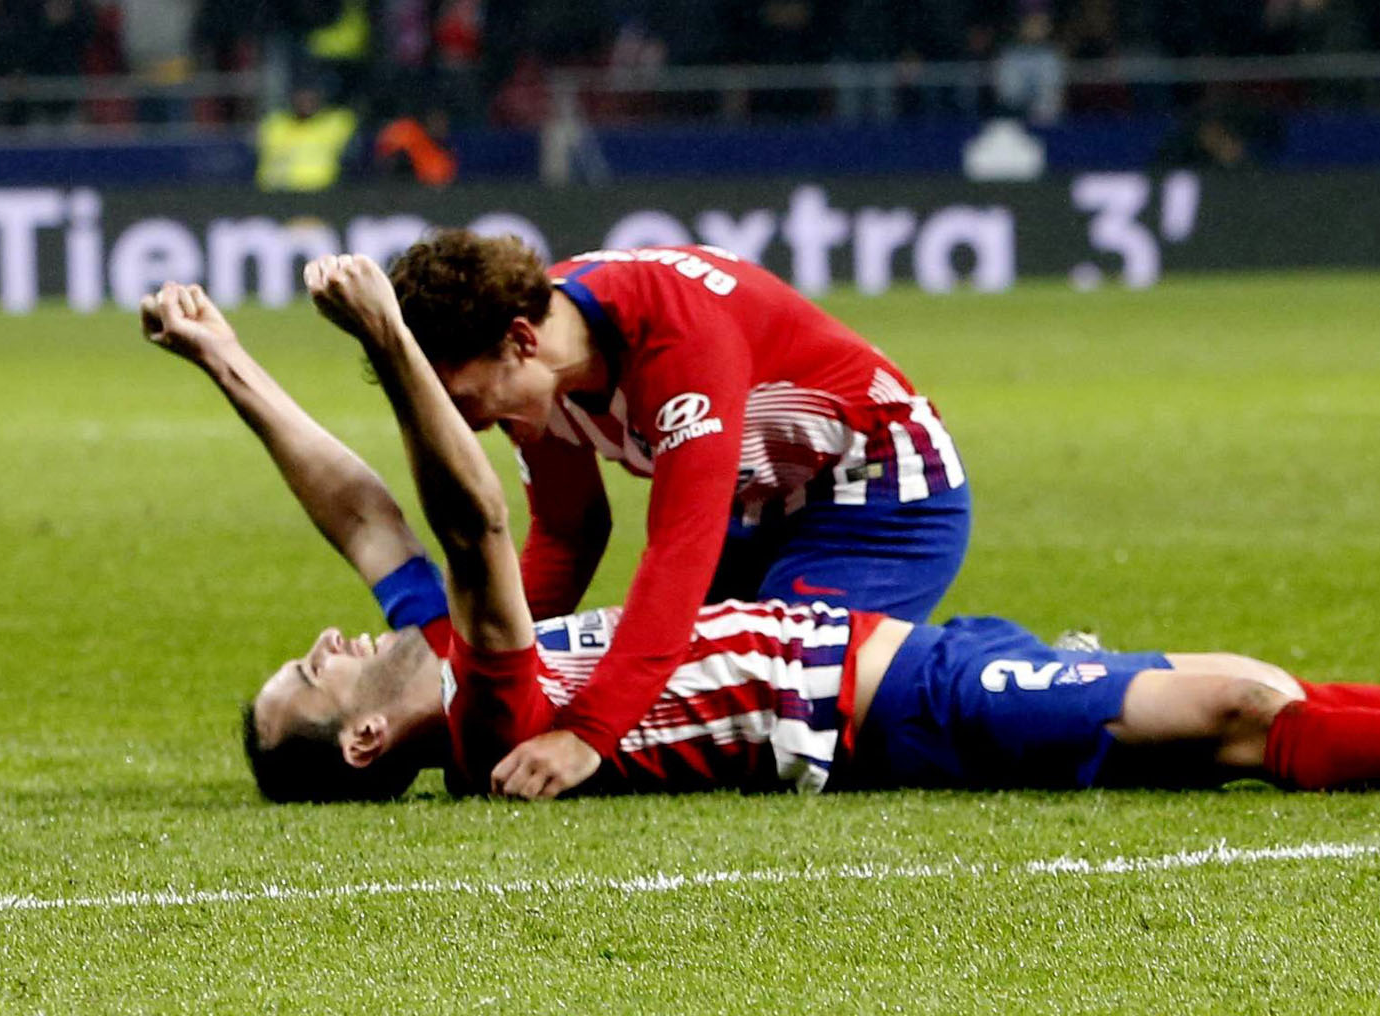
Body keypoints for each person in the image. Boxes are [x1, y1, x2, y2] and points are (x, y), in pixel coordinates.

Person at [138, 265, 1380, 804]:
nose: (324, 643)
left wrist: (225, 357)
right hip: (856, 701)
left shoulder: (426, 647)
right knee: (1230, 708)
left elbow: (361, 508)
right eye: (311, 676)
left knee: (1219, 708)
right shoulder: (487, 716)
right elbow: (472, 518)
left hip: (848, 642)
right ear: (366, 743)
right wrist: (392, 344)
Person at [383, 231, 972, 797]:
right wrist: (472, 677)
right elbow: (568, 533)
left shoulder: (678, 338)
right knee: (678, 681)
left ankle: (1004, 671)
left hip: (883, 495)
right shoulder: (537, 361)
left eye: (461, 401)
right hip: (761, 505)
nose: (467, 427)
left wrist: (587, 734)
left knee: (783, 694)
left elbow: (679, 555)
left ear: (520, 342)